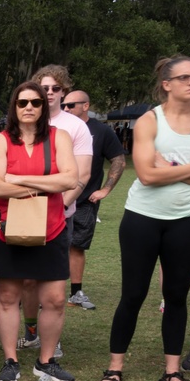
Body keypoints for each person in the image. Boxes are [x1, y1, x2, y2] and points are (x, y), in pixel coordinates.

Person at [100, 56, 190, 381]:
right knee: (133, 294)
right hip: (142, 219)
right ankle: (115, 367)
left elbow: (158, 170)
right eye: (184, 77)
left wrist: (167, 164)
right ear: (167, 84)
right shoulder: (149, 121)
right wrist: (186, 169)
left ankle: (172, 371)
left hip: (186, 221)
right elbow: (147, 175)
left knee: (177, 296)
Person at [0, 81, 79, 381]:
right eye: (22, 103)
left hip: (50, 228)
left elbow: (71, 180)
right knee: (9, 296)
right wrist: (45, 181)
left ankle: (45, 361)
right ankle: (10, 360)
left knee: (55, 298)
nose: (29, 108)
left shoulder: (58, 137)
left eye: (35, 103)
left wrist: (18, 179)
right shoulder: (0, 141)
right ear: (14, 106)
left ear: (43, 107)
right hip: (6, 228)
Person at [18, 65, 92, 352]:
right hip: (24, 214)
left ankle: (53, 340)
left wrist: (59, 203)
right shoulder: (23, 123)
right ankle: (32, 331)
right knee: (26, 281)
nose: (49, 93)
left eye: (55, 88)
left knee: (53, 285)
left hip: (60, 216)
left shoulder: (75, 127)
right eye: (43, 88)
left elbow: (82, 174)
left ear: (64, 91)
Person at [62, 89, 127, 309]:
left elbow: (118, 160)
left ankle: (76, 293)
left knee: (76, 246)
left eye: (71, 105)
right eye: (64, 105)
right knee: (46, 244)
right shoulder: (57, 127)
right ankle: (40, 292)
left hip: (84, 200)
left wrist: (106, 190)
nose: (66, 109)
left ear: (86, 106)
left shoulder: (100, 131)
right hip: (54, 197)